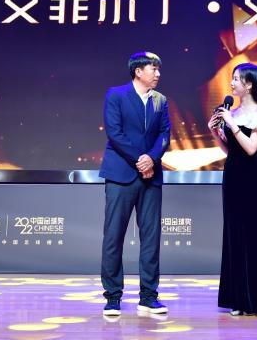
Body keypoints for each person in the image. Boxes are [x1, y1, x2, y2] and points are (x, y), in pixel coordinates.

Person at [99, 51, 171, 316]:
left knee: (151, 238)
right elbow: (114, 133)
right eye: (154, 68)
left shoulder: (160, 100)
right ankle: (112, 297)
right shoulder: (116, 95)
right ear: (138, 71)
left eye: (158, 69)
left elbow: (165, 134)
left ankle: (149, 296)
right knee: (114, 236)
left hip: (151, 177)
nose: (158, 73)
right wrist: (140, 159)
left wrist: (151, 158)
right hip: (121, 174)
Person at [207, 62, 257, 316]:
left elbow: (250, 148)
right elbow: (231, 150)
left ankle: (253, 300)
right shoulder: (232, 112)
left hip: (250, 177)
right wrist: (216, 132)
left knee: (251, 233)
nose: (232, 83)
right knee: (234, 233)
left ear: (249, 84)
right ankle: (237, 298)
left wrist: (231, 124)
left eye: (236, 79)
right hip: (232, 174)